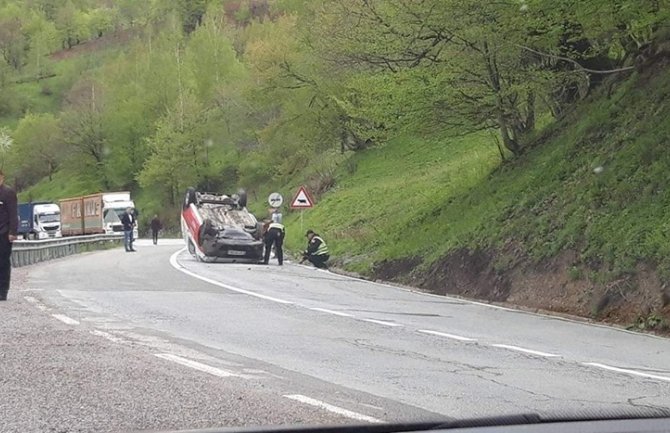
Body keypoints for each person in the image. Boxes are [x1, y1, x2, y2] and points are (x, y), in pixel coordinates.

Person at [0, 170, 17, 301]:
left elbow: (13, 213)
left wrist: (12, 232)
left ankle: (3, 290)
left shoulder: (8, 193)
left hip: (4, 233)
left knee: (3, 261)